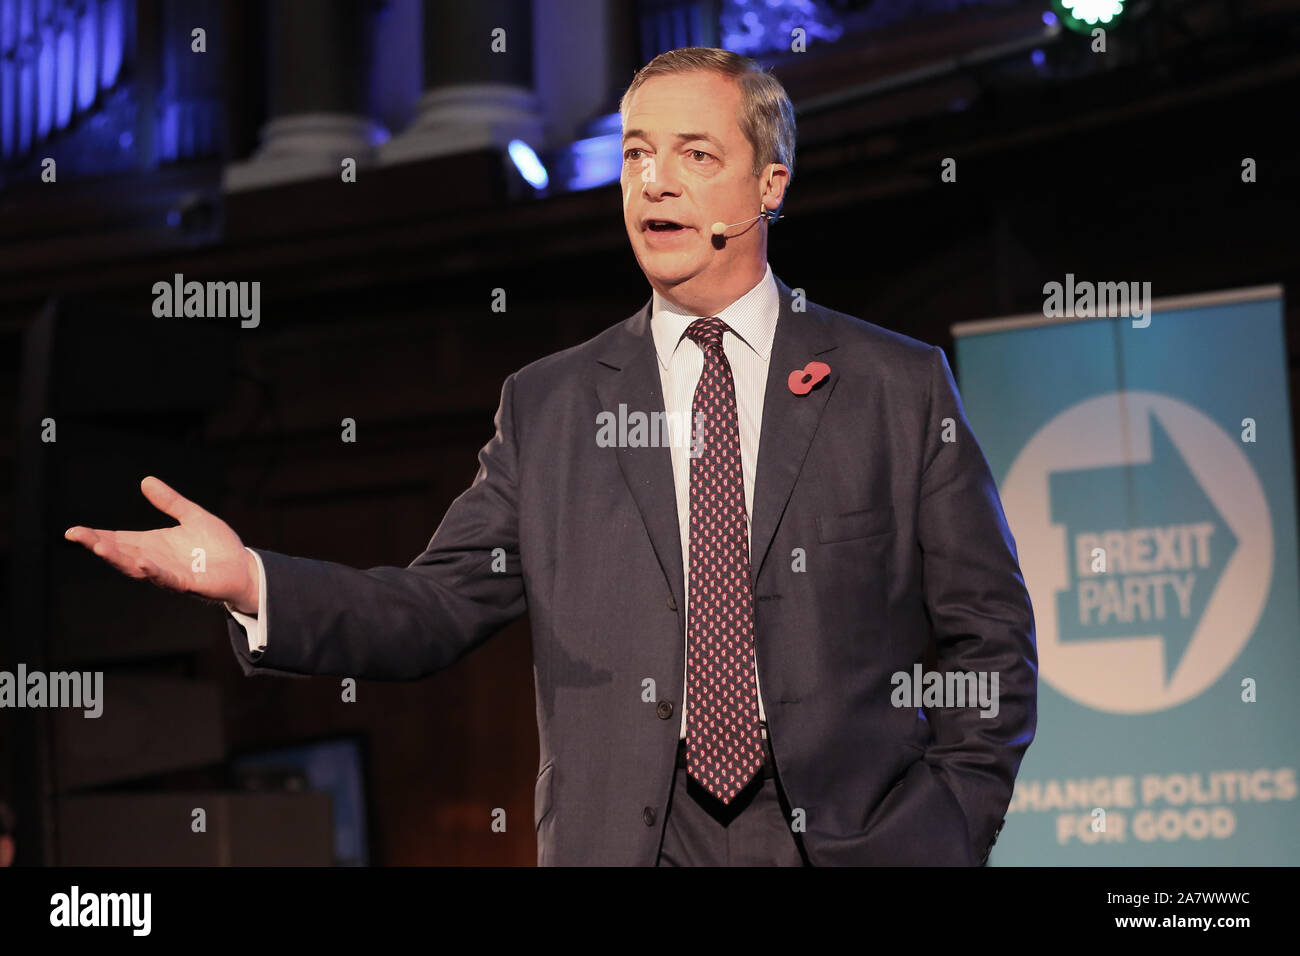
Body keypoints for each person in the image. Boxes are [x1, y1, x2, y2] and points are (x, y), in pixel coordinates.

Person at [65, 47, 1036, 866]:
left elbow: (989, 636)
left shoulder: (892, 385)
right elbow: (433, 608)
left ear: (769, 184)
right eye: (636, 154)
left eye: (694, 154)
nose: (653, 180)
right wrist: (252, 581)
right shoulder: (552, 405)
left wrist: (944, 827)